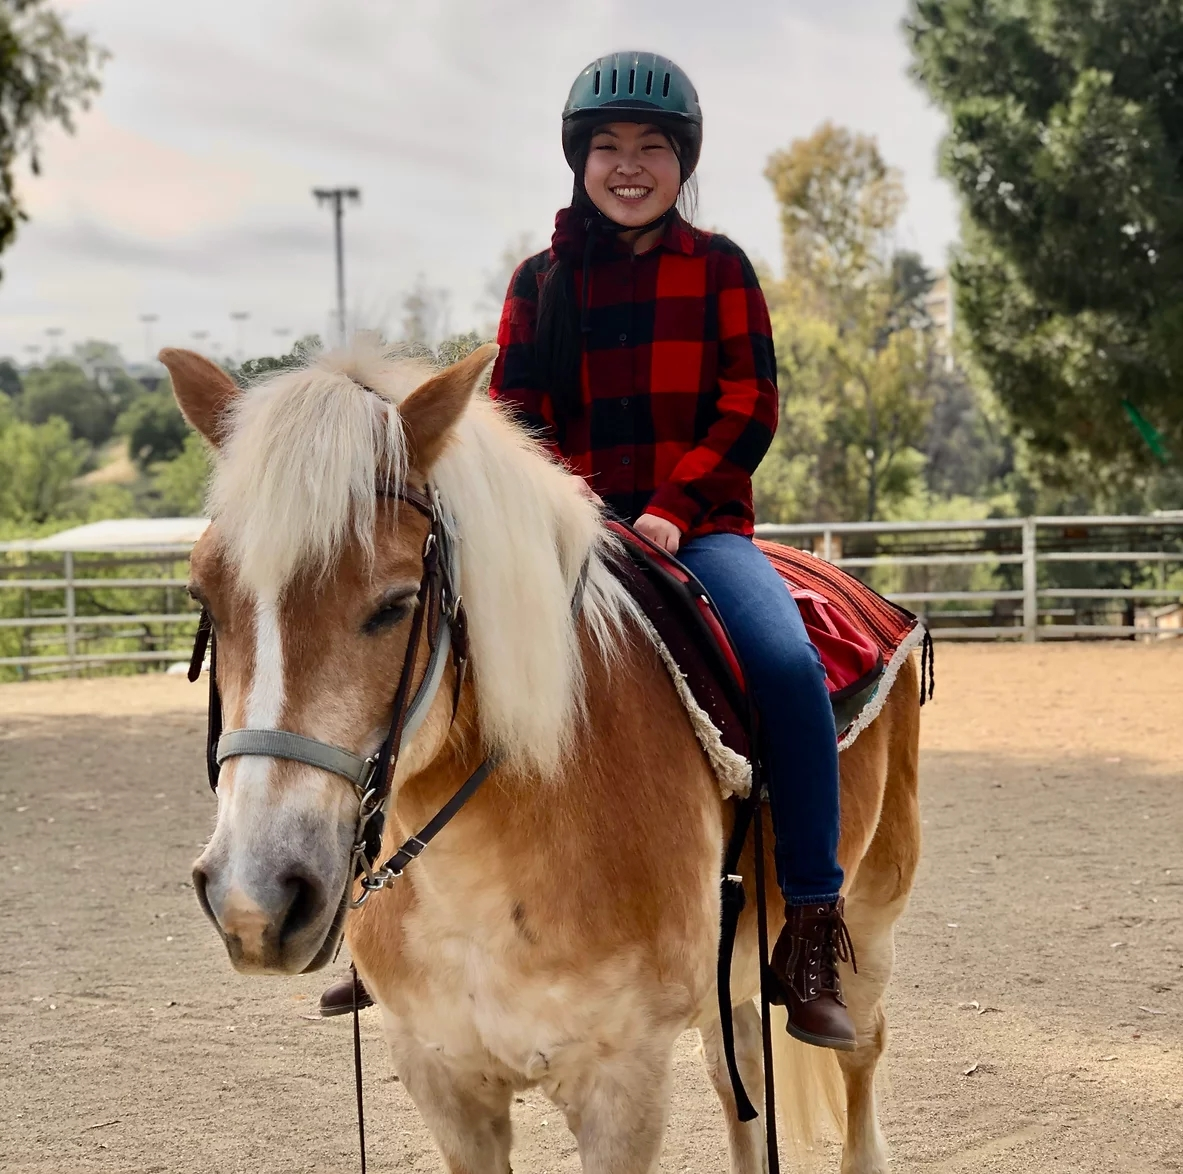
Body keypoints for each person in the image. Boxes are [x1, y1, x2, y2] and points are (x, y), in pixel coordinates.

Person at [322, 50, 855, 1052]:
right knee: (422, 664)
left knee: (785, 666)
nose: (627, 166)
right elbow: (514, 420)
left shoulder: (721, 269)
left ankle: (814, 923)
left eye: (650, 149)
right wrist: (566, 509)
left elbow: (751, 405)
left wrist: (671, 503)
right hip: (563, 533)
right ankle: (375, 905)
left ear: (680, 163)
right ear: (578, 160)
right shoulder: (539, 281)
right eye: (606, 147)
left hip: (694, 531)